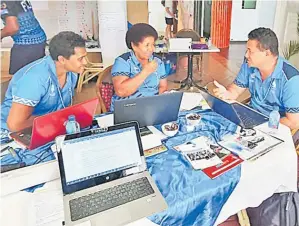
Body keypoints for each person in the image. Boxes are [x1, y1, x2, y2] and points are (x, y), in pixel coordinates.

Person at [213, 27, 299, 130]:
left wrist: (260, 125)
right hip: (251, 116)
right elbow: (235, 89)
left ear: (267, 53)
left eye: (250, 51)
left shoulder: (291, 80)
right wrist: (227, 93)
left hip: (274, 128)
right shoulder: (249, 65)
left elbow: (293, 122)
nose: (246, 55)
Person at [1, 31, 87, 132]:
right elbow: (15, 125)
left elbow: (65, 107)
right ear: (62, 59)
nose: (85, 62)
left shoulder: (71, 73)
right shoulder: (35, 78)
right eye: (81, 59)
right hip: (12, 133)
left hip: (46, 127)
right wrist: (54, 119)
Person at [110, 23, 167, 111]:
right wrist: (145, 72)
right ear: (134, 46)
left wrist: (158, 104)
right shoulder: (123, 62)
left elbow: (163, 86)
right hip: (128, 109)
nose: (151, 49)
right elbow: (121, 91)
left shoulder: (157, 61)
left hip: (152, 108)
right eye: (147, 45)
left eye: (153, 45)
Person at [1, 0, 47, 75]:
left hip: (27, 44)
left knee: (20, 79)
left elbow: (12, 28)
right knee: (35, 75)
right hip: (38, 40)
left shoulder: (6, 2)